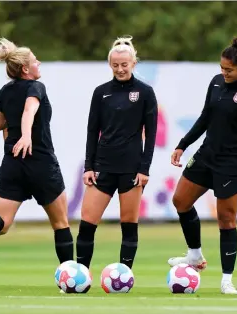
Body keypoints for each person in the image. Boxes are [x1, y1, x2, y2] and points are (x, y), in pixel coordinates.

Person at [167, 37, 237, 294]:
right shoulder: (217, 83)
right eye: (222, 68)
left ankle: (227, 280)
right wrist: (182, 145)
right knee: (180, 201)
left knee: (226, 220)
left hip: (232, 163)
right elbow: (205, 117)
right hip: (207, 155)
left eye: (229, 70)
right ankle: (194, 256)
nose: (224, 73)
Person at [0, 38, 74, 267]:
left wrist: (14, 124)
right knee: (60, 223)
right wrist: (27, 134)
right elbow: (30, 109)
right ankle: (68, 275)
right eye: (34, 61)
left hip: (13, 164)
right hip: (40, 162)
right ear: (25, 69)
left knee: (1, 225)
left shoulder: (6, 91)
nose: (38, 62)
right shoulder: (36, 87)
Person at [75, 36, 158, 271]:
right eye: (115, 65)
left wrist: (144, 169)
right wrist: (88, 166)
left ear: (133, 63)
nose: (120, 69)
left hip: (131, 169)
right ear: (110, 65)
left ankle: (125, 275)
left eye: (124, 64)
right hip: (103, 166)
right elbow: (92, 131)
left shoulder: (145, 92)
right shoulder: (100, 92)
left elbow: (150, 135)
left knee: (129, 225)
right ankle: (81, 275)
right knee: (87, 224)